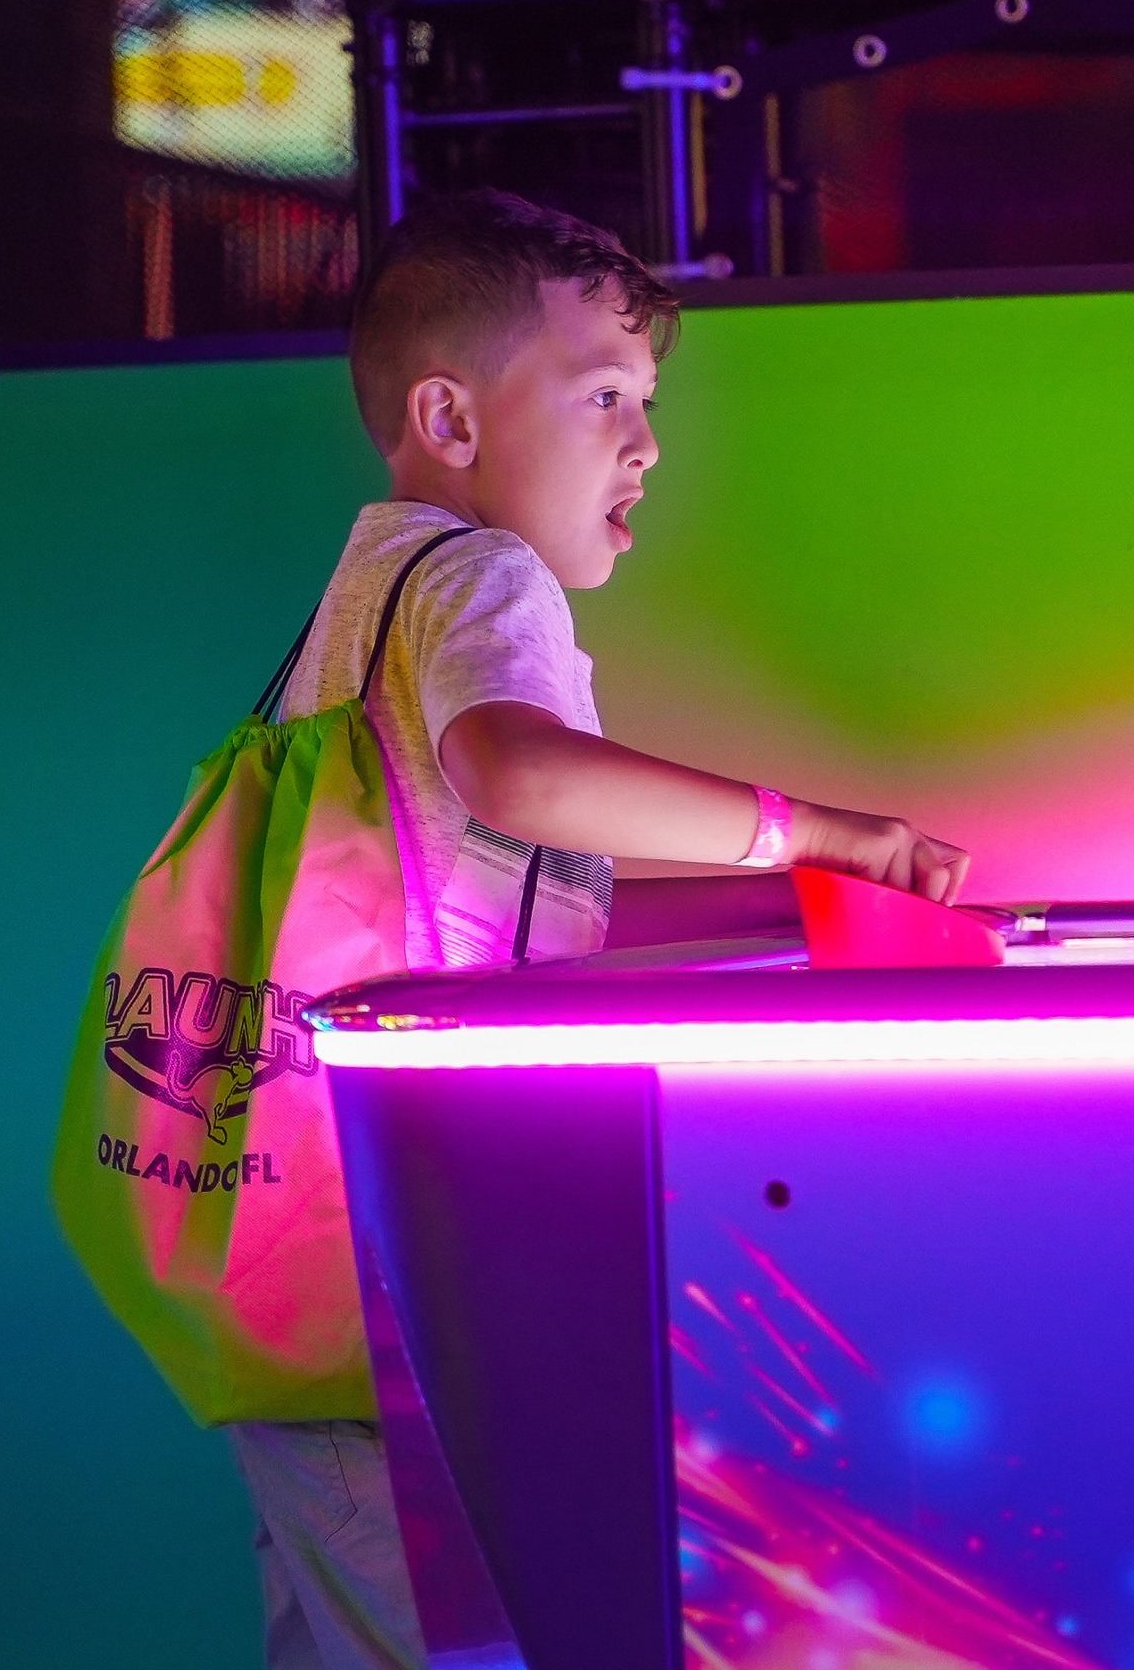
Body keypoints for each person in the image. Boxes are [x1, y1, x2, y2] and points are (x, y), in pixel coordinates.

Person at [228, 189, 968, 1669]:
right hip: (394, 1260)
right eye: (606, 395)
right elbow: (519, 776)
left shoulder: (367, 596)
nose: (646, 443)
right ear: (450, 417)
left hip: (288, 1242)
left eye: (648, 404)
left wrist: (782, 904)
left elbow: (519, 891)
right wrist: (813, 831)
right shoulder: (480, 575)